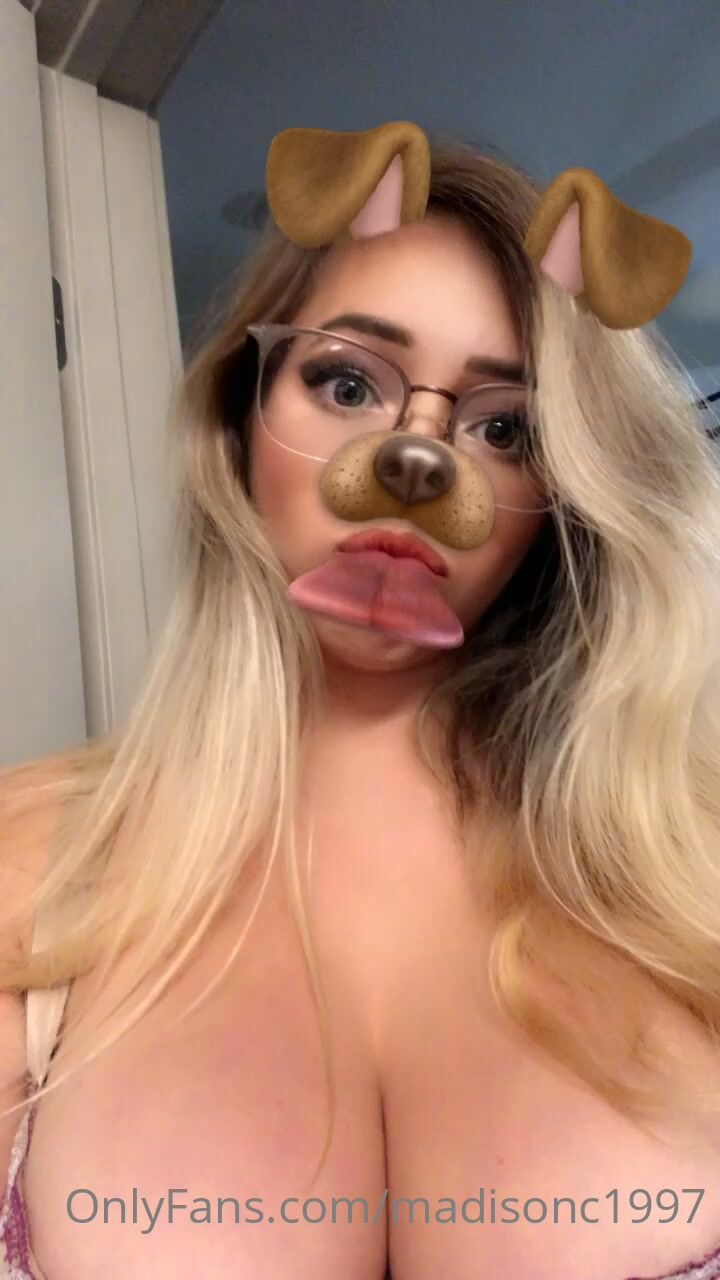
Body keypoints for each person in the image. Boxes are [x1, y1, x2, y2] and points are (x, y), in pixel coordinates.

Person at [2, 121, 720, 1280]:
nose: (415, 466)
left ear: (566, 497)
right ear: (241, 418)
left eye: (504, 426)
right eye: (346, 382)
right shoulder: (33, 866)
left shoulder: (693, 879)